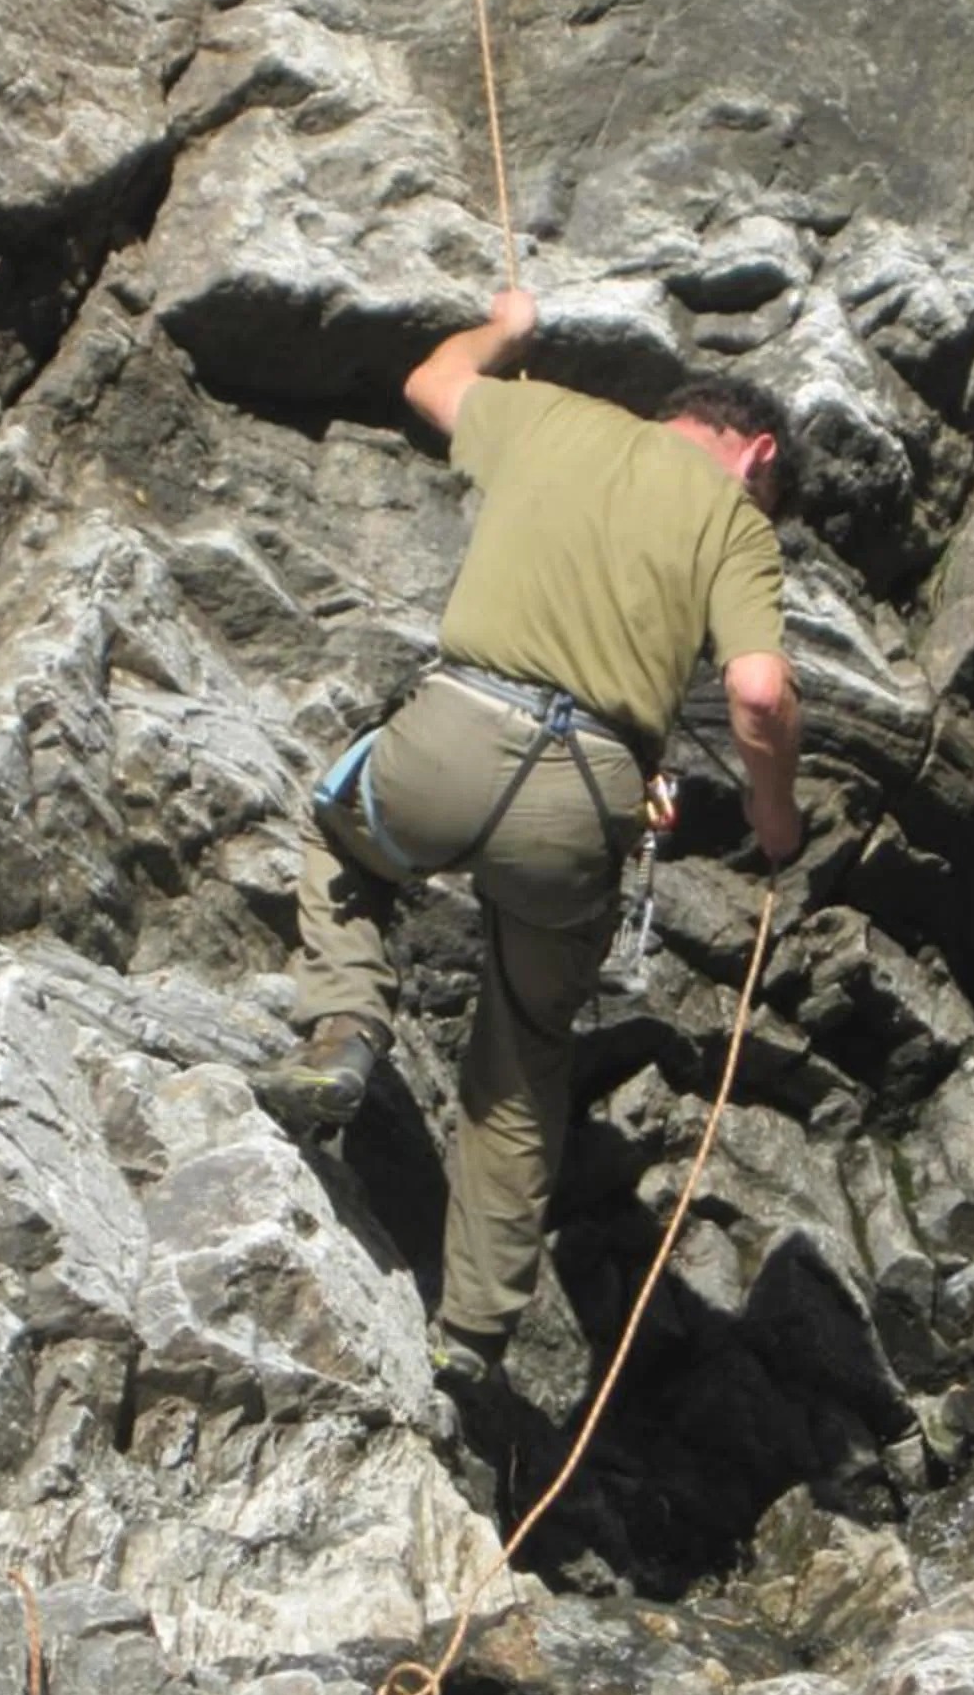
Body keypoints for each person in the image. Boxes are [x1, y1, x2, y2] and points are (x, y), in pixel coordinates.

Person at [258, 288, 803, 1383]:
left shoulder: (550, 416)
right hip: (586, 800)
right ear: (757, 456)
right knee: (521, 1058)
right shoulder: (736, 523)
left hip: (453, 737)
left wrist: (502, 331)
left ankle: (345, 1032)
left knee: (338, 841)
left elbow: (428, 383)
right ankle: (470, 1337)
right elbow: (757, 693)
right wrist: (772, 816)